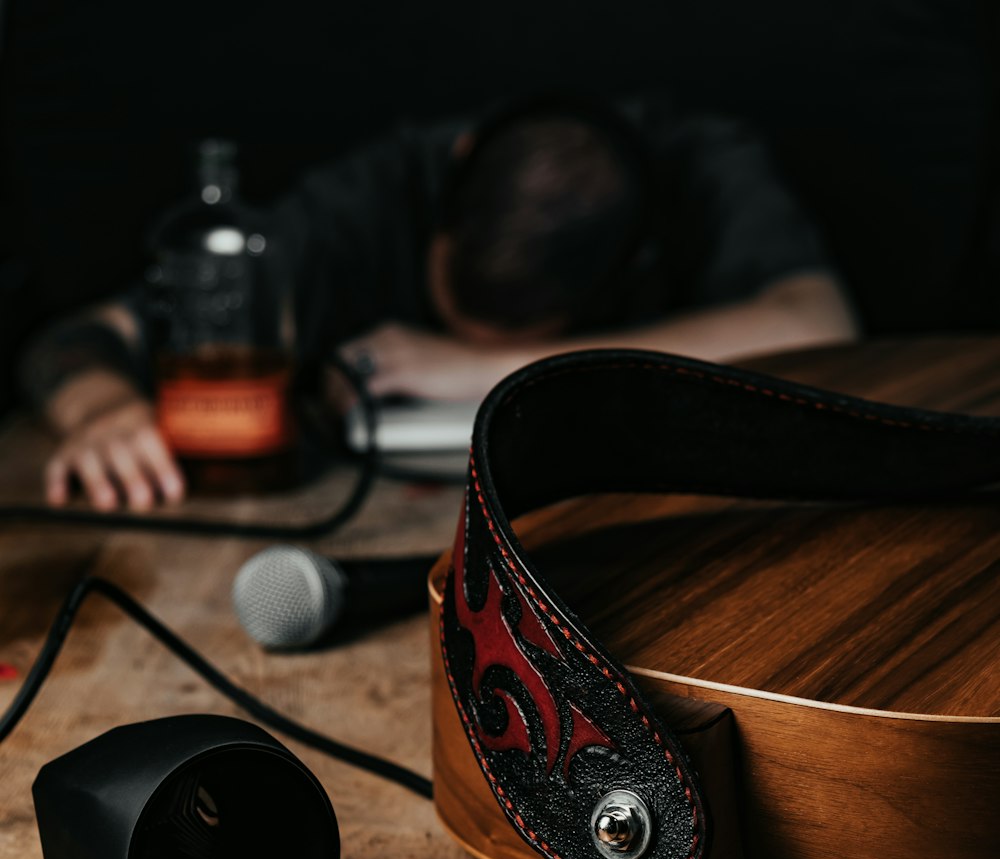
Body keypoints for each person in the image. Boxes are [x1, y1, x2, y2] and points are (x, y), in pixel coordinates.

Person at [20, 94, 858, 512]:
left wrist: (487, 367)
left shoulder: (700, 165)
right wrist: (101, 408)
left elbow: (822, 322)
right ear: (447, 190)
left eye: (522, 329)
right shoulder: (368, 202)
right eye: (455, 301)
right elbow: (81, 336)